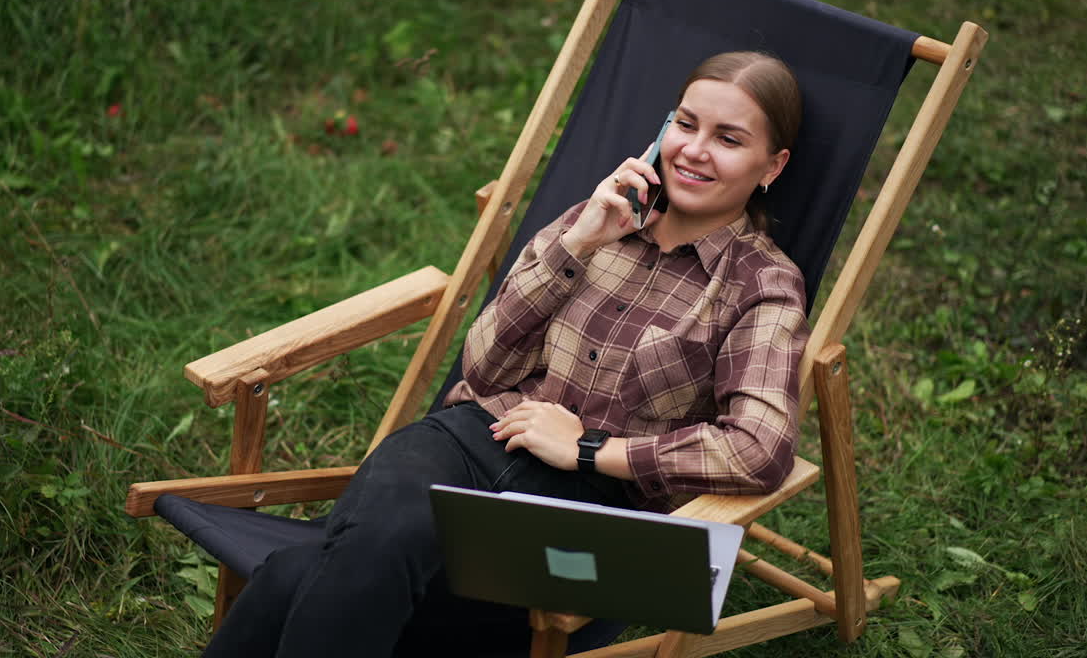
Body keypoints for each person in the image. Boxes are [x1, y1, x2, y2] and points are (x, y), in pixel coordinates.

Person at [201, 51, 810, 657]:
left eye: (728, 139)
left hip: (597, 511)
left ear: (771, 166)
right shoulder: (598, 221)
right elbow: (485, 368)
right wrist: (577, 243)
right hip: (468, 440)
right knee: (382, 539)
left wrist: (591, 451)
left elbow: (760, 449)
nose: (694, 150)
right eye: (684, 124)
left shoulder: (761, 285)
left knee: (294, 576)